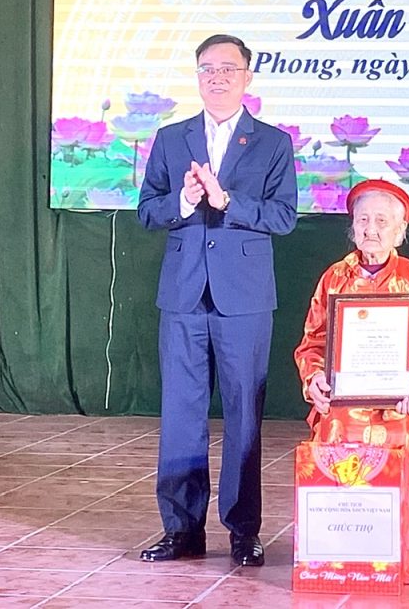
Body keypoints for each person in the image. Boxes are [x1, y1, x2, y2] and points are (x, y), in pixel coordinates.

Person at [137, 34, 297, 566]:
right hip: (183, 296)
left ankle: (243, 531)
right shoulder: (171, 138)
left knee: (243, 415)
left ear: (248, 76)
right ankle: (181, 530)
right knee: (181, 415)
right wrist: (184, 200)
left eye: (228, 68)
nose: (218, 77)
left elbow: (283, 217)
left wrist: (227, 200)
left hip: (244, 299)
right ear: (197, 77)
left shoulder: (273, 143)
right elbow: (147, 211)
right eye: (208, 69)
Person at [293, 179, 409, 583]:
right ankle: (337, 557)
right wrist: (315, 379)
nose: (371, 229)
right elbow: (313, 342)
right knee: (332, 430)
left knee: (403, 436)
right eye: (363, 220)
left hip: (401, 403)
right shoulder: (334, 277)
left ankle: (398, 560)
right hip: (345, 401)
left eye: (382, 221)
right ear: (352, 227)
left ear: (400, 230)